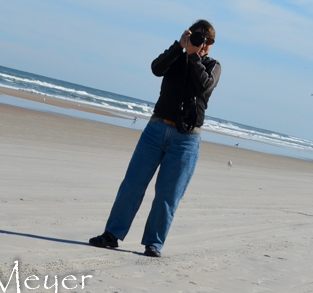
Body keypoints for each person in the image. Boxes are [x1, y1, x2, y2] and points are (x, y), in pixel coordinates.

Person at [89, 21, 220, 257]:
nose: (203, 45)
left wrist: (193, 57)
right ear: (189, 36)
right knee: (132, 184)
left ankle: (154, 243)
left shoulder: (213, 66)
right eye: (199, 39)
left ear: (211, 45)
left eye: (207, 42)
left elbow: (203, 86)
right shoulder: (177, 55)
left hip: (186, 140)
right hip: (156, 129)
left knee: (168, 196)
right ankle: (111, 235)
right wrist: (178, 47)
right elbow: (156, 68)